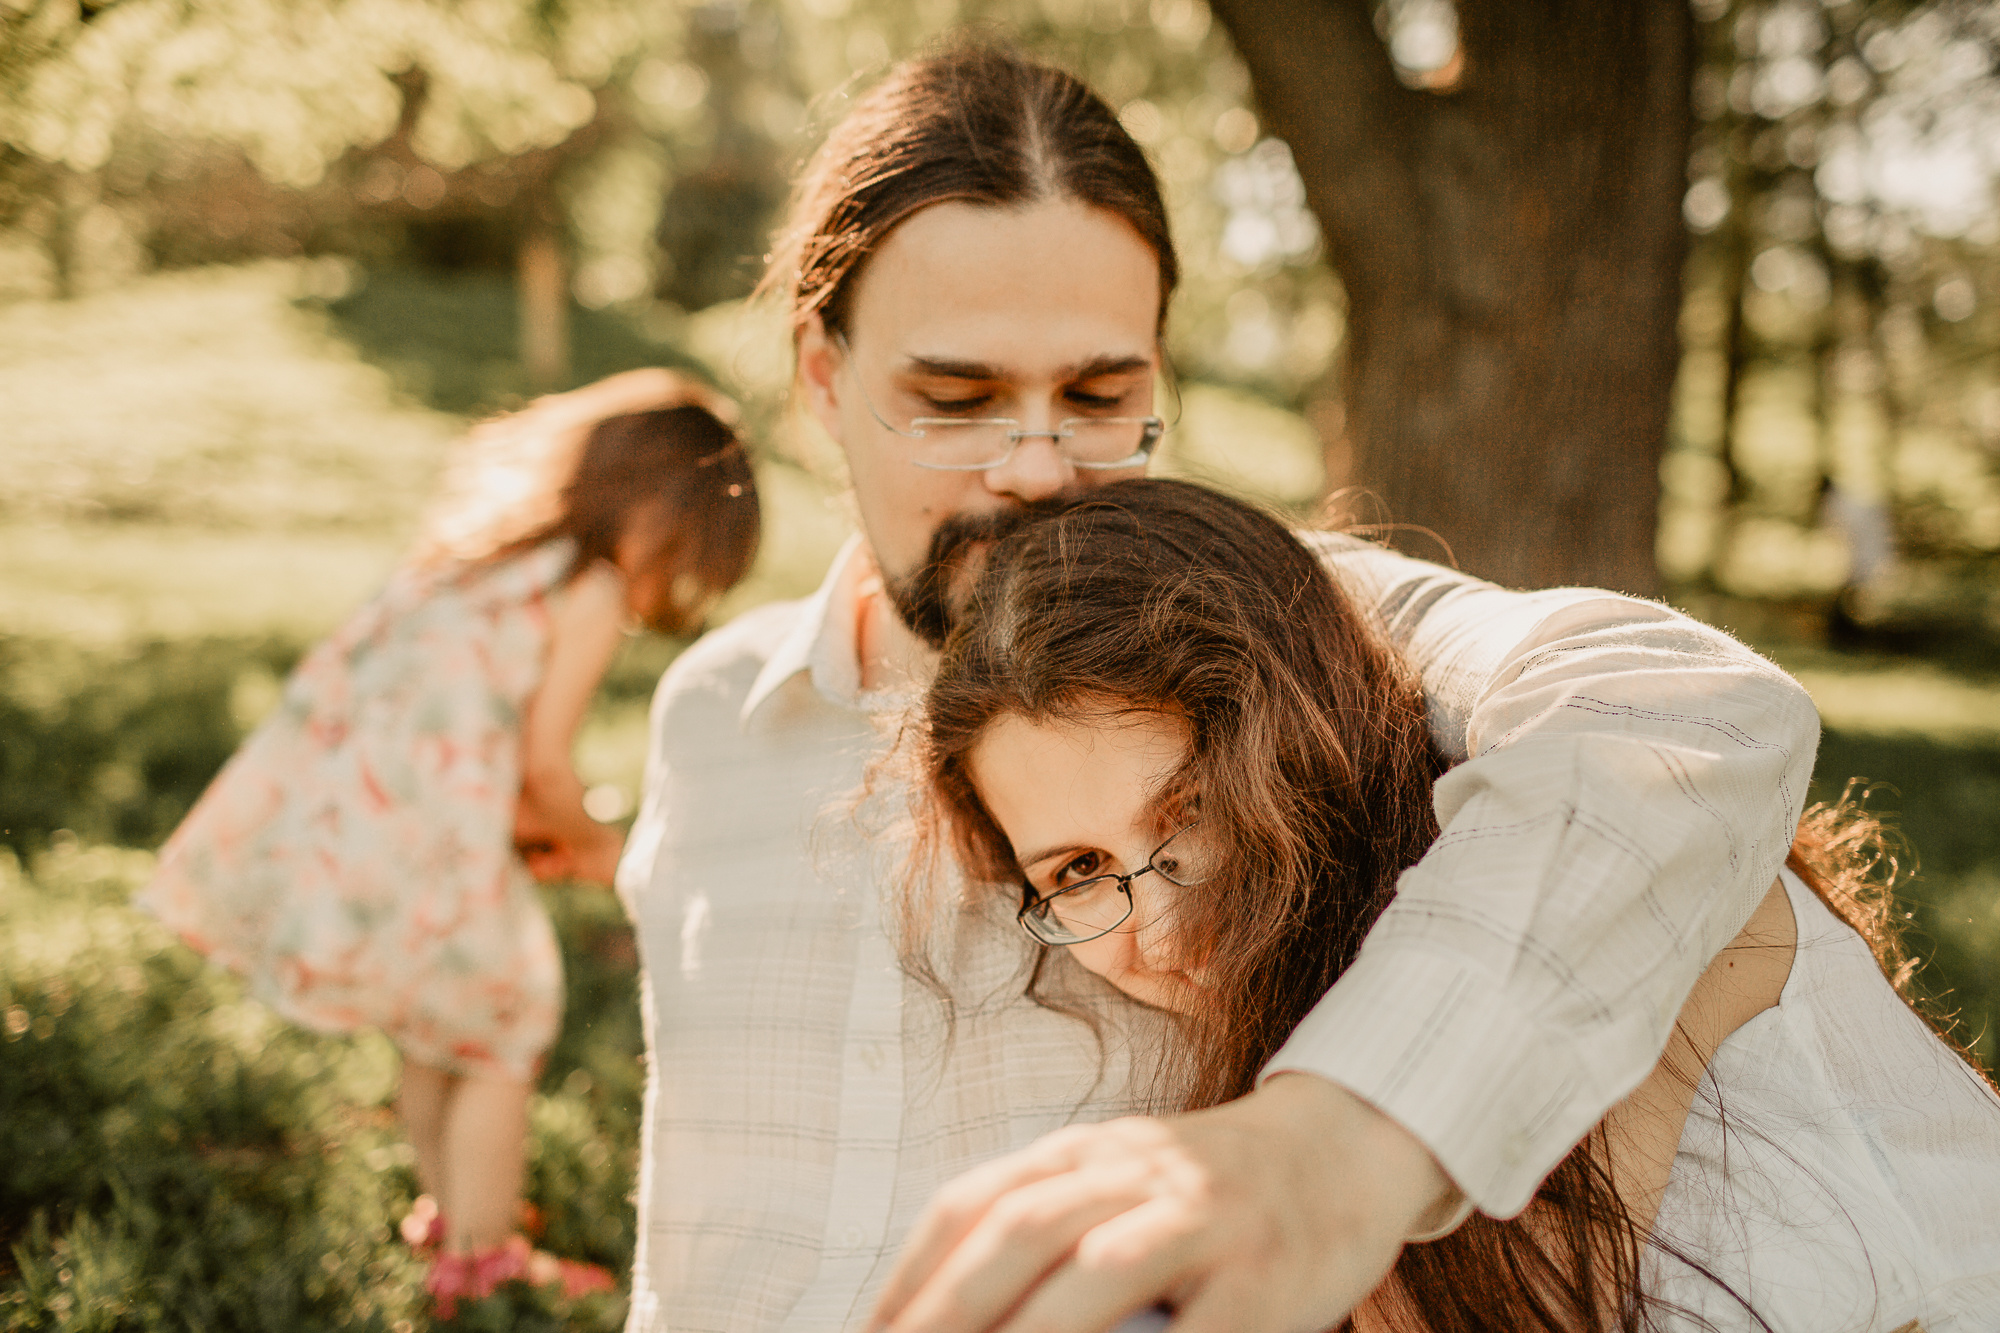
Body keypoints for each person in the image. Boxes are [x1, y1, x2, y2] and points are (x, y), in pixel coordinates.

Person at [619, 42, 1820, 1333]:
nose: (1036, 467)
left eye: (1099, 394)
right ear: (821, 376)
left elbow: (1691, 710)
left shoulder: (1297, 628)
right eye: (955, 398)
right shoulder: (708, 720)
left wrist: (1338, 1141)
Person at [898, 478, 2000, 1332]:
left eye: (1193, 810)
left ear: (1298, 746)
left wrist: (1327, 1139)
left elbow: (1685, 707)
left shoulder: (1581, 919)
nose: (1166, 920)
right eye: (1078, 869)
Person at [137, 370, 758, 1317]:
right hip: (435, 849)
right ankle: (484, 1254)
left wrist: (518, 820)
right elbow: (544, 764)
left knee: (439, 1028)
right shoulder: (586, 590)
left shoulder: (476, 559)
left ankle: (448, 1216)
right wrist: (595, 846)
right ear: (660, 515)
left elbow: (444, 723)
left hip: (362, 828)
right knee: (507, 1020)